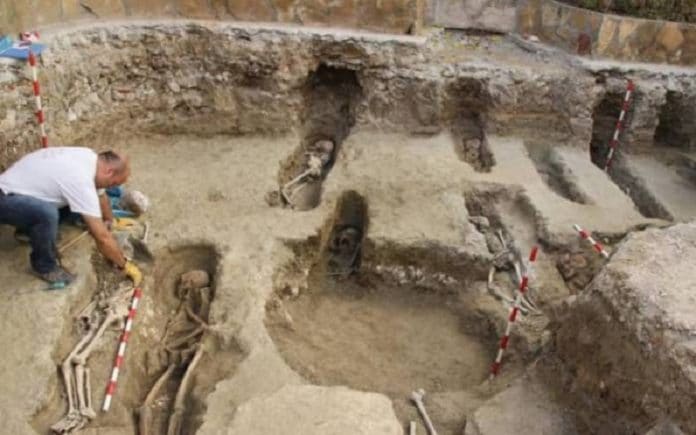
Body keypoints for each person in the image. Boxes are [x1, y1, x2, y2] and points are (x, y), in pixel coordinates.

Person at [0, 147, 142, 287]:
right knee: (47, 214)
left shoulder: (90, 159)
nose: (112, 187)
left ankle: (28, 231)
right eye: (114, 183)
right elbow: (102, 238)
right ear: (109, 172)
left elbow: (101, 195)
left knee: (79, 205)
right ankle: (45, 266)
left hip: (24, 193)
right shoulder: (80, 178)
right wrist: (124, 265)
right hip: (5, 197)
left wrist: (110, 219)